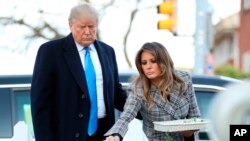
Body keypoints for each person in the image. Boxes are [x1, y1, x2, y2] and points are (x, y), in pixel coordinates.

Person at [30, 3, 127, 141]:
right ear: (71, 25)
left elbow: (116, 93)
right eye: (82, 27)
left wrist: (146, 112)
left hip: (104, 134)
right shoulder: (50, 52)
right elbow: (40, 104)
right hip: (66, 135)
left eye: (91, 26)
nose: (87, 32)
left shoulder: (108, 52)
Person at [104, 42, 201, 141]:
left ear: (163, 61)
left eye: (153, 61)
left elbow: (195, 117)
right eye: (144, 63)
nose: (148, 67)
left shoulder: (183, 79)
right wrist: (115, 136)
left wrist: (189, 134)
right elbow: (126, 116)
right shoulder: (139, 88)